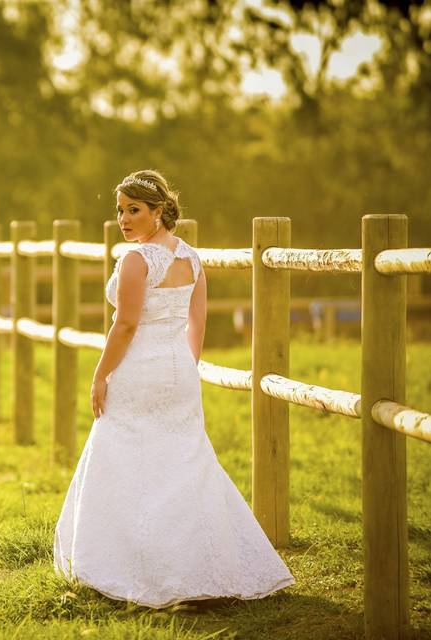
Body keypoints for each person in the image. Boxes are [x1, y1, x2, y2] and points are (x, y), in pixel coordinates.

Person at [53, 169, 295, 608]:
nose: (124, 219)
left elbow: (125, 324)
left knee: (126, 456)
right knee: (185, 459)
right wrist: (186, 366)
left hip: (137, 368)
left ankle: (131, 564)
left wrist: (100, 374)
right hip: (179, 368)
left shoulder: (136, 260)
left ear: (159, 211)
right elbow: (196, 324)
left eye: (134, 210)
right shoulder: (192, 259)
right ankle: (200, 565)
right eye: (120, 210)